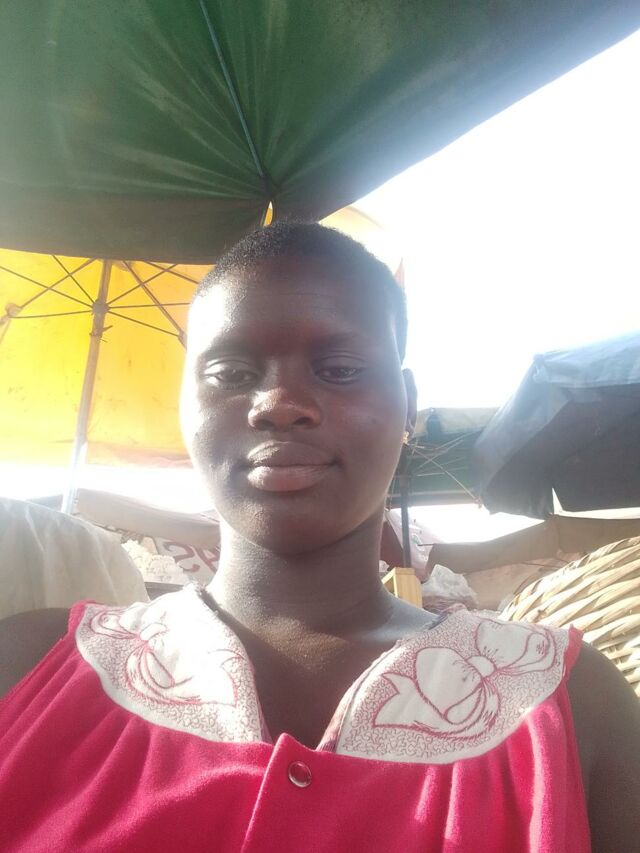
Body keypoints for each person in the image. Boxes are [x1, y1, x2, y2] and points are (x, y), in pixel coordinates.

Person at [0, 223, 638, 852]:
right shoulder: (28, 666)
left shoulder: (569, 705)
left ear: (407, 404)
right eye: (230, 372)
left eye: (339, 369)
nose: (278, 402)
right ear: (184, 403)